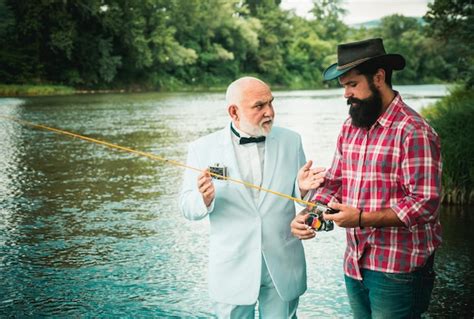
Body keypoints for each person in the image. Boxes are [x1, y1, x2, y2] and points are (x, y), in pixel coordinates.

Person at [291, 38, 442, 318]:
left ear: (379, 77)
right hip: (354, 264)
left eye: (352, 84)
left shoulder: (414, 131)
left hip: (399, 270)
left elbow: (424, 204)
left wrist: (360, 218)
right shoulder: (350, 126)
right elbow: (335, 182)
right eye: (344, 86)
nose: (346, 94)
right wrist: (310, 213)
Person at [179, 76, 325, 318]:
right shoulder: (202, 148)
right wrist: (203, 199)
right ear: (234, 112)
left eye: (271, 103)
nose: (269, 112)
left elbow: (305, 197)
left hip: (283, 263)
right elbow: (186, 206)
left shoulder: (291, 140)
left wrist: (302, 190)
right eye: (259, 106)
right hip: (232, 269)